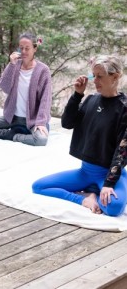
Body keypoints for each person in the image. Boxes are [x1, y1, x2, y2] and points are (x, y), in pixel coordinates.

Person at [32, 55, 127, 217]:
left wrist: (109, 183)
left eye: (100, 76)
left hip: (107, 174)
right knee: (39, 186)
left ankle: (97, 189)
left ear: (115, 77)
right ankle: (88, 197)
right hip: (85, 172)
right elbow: (67, 123)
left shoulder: (124, 109)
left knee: (114, 208)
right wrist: (77, 95)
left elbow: (122, 151)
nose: (95, 81)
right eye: (93, 76)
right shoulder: (90, 100)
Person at [0, 32, 52, 146]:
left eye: (27, 48)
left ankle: (14, 136)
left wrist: (41, 122)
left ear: (35, 48)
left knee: (41, 140)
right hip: (12, 118)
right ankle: (8, 134)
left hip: (33, 120)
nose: (23, 52)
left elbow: (46, 99)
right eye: (21, 48)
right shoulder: (14, 65)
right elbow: (4, 87)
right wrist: (11, 65)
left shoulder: (43, 70)